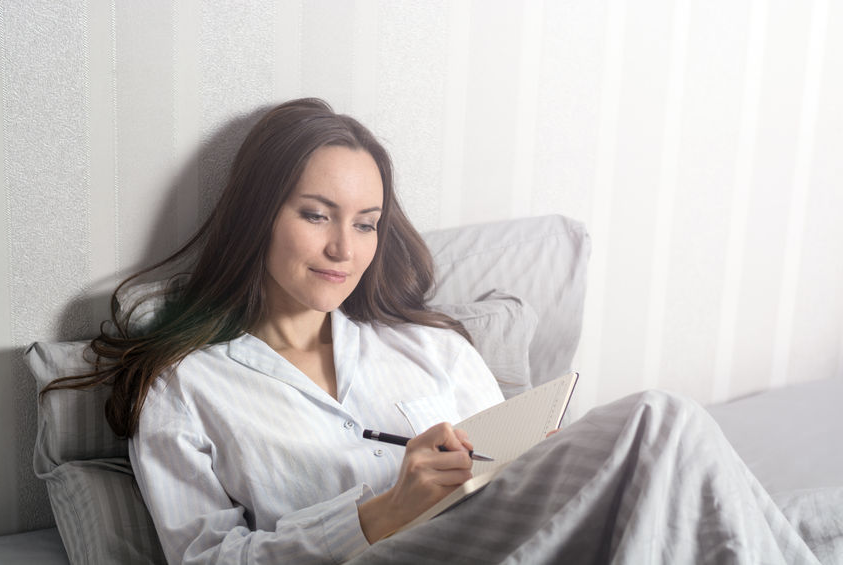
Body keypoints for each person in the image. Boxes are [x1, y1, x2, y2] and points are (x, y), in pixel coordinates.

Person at [43, 98, 820, 564]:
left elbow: (523, 476)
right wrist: (380, 510)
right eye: (316, 215)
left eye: (366, 223)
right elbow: (207, 558)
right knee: (660, 419)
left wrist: (536, 457)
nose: (344, 248)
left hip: (517, 541)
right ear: (259, 215)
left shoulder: (428, 347)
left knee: (663, 468)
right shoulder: (185, 384)